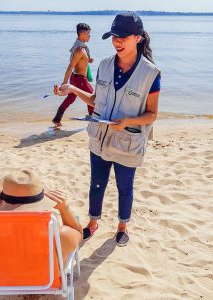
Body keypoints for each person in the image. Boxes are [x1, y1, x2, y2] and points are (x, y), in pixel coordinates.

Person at [54, 11, 161, 246]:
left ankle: (122, 227)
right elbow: (94, 100)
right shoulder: (104, 64)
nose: (117, 41)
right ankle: (93, 224)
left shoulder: (150, 73)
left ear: (138, 38)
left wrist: (127, 121)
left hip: (128, 142)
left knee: (125, 188)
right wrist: (71, 88)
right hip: (99, 139)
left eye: (123, 36)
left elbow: (152, 114)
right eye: (114, 36)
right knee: (96, 184)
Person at [0, 169, 82, 263]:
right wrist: (64, 209)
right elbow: (79, 234)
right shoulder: (59, 237)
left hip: (7, 283)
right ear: (40, 205)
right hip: (47, 282)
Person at [52, 23, 94, 127]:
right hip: (80, 79)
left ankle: (57, 118)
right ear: (82, 33)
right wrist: (64, 83)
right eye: (88, 33)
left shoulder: (81, 47)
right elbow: (71, 66)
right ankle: (94, 120)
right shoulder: (79, 49)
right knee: (92, 98)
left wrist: (89, 60)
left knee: (71, 98)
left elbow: (80, 61)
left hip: (75, 78)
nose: (90, 36)